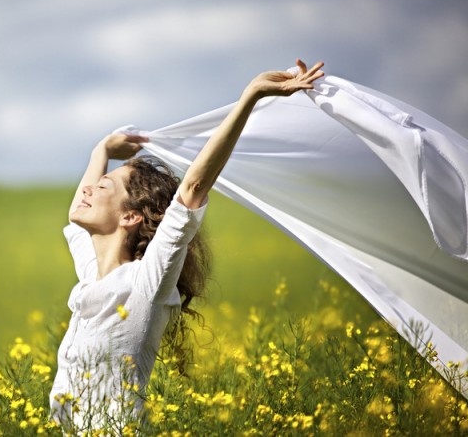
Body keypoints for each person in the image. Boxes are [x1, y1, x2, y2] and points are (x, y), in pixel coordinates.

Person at [49, 59, 325, 432]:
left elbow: (193, 189)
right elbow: (74, 216)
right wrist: (101, 150)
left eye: (103, 187)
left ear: (130, 217)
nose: (88, 189)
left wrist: (250, 98)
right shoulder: (91, 280)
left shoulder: (146, 284)